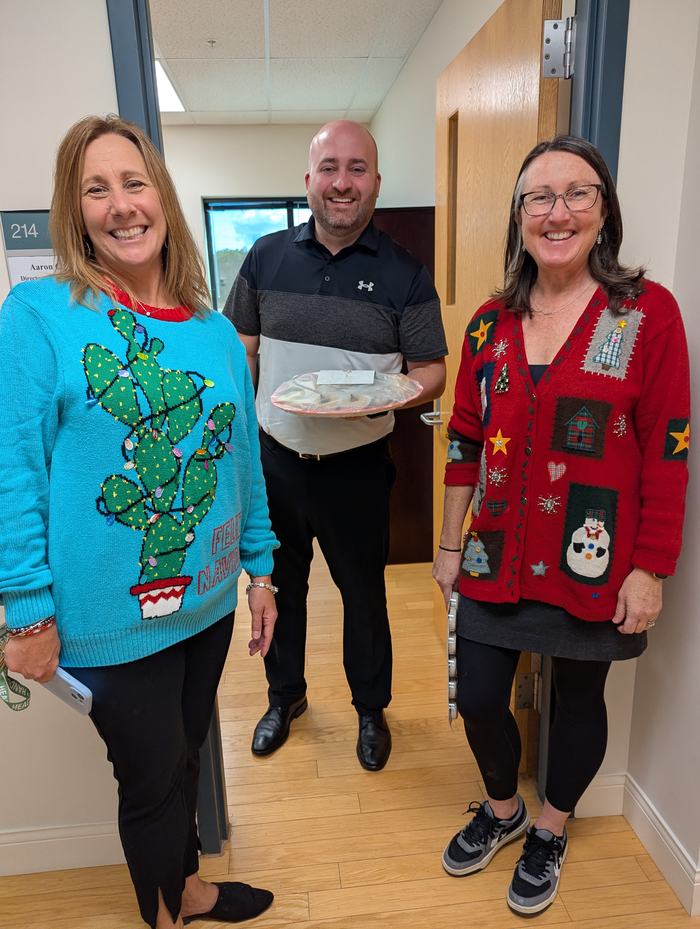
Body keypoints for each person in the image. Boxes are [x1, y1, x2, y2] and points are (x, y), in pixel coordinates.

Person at [0, 115, 279, 929]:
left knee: (187, 758)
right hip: (106, 616)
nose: (121, 205)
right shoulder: (41, 312)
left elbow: (244, 463)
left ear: (161, 198)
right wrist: (26, 608)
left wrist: (261, 572)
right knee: (152, 781)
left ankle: (186, 892)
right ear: (73, 208)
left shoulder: (217, 330)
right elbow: (14, 468)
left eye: (134, 182)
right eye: (96, 188)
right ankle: (165, 915)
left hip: (208, 601)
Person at [433, 135, 689, 916]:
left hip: (595, 556)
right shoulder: (488, 322)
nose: (557, 212)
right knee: (479, 695)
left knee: (579, 697)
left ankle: (550, 825)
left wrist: (650, 567)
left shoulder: (646, 315)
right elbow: (465, 437)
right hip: (496, 547)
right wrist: (449, 543)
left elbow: (670, 446)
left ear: (603, 209)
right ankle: (504, 811)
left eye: (577, 193)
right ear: (519, 218)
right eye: (538, 198)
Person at [225, 120, 447, 771]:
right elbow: (242, 350)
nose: (342, 182)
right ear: (309, 181)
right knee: (278, 588)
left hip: (357, 469)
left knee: (363, 594)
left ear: (376, 181)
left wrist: (392, 396)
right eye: (330, 168)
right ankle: (284, 696)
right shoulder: (265, 257)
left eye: (356, 169)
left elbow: (432, 369)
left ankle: (370, 709)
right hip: (277, 463)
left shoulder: (405, 273)